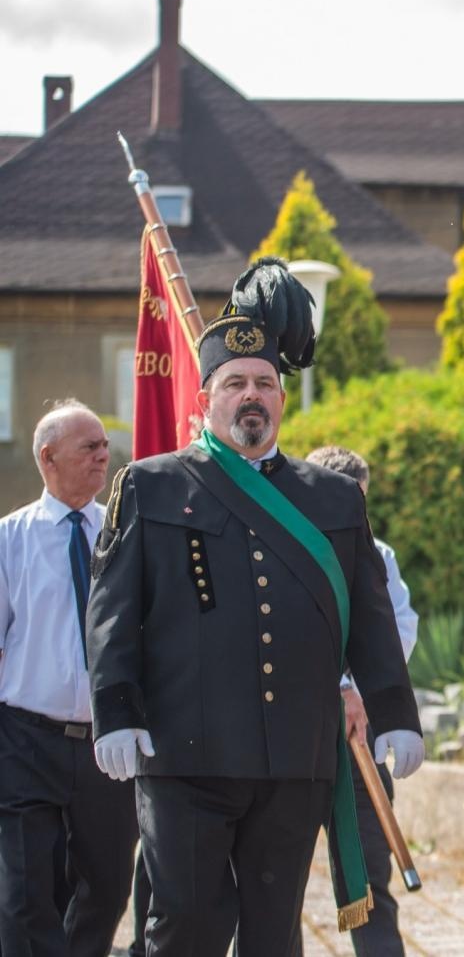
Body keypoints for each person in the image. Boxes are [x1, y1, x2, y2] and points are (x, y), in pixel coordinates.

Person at [85, 259, 423, 956]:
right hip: (183, 759)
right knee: (186, 927)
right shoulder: (148, 488)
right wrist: (114, 710)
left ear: (281, 399)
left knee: (274, 935)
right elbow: (112, 613)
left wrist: (394, 712)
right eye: (234, 383)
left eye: (264, 383)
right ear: (206, 399)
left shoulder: (330, 498)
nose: (251, 395)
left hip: (291, 760)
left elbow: (369, 615)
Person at [0, 401, 138, 956]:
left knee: (106, 887)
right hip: (25, 741)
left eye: (105, 445)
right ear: (47, 457)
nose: (104, 455)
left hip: (107, 744)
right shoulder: (10, 540)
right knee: (28, 893)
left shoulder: (127, 536)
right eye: (90, 447)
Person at [302, 446, 419, 957]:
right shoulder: (282, 546)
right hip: (292, 731)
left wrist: (359, 691)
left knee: (370, 871)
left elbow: (396, 632)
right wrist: (334, 687)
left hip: (358, 733)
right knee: (270, 877)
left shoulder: (379, 554)